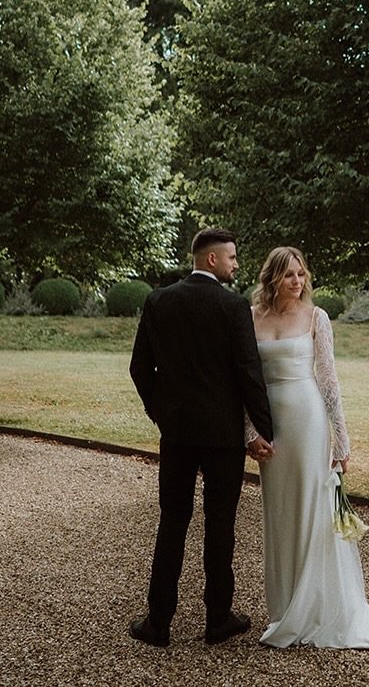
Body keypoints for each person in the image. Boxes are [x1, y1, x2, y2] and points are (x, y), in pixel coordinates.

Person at [245, 245, 369, 653]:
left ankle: (317, 608)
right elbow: (244, 382)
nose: (297, 282)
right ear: (272, 278)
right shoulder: (251, 317)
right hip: (269, 423)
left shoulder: (317, 318)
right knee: (280, 511)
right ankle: (285, 607)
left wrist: (342, 439)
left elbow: (329, 382)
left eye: (301, 274)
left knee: (313, 509)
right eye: (288, 275)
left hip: (308, 420)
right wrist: (249, 432)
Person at [129, 227, 274, 648]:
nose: (235, 264)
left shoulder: (159, 300)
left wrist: (162, 414)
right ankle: (218, 619)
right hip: (223, 437)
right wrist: (263, 430)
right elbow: (250, 374)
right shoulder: (232, 307)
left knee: (172, 521)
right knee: (221, 523)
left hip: (176, 435)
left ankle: (158, 623)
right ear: (211, 259)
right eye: (231, 257)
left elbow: (141, 368)